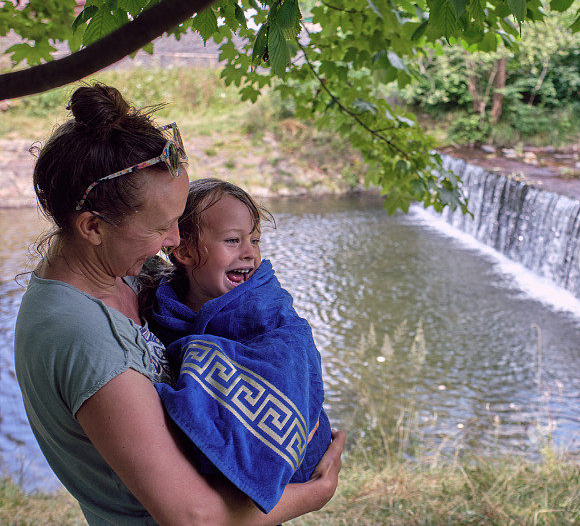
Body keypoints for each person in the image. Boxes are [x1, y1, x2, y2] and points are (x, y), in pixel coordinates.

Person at [14, 83, 345, 525]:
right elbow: (194, 518)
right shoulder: (82, 338)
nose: (173, 243)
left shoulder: (128, 272)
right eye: (159, 228)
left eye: (177, 222)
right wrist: (312, 493)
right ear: (93, 226)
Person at [140, 178, 332, 513]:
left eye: (255, 240)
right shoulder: (162, 309)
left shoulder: (264, 305)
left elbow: (292, 353)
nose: (250, 253)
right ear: (183, 250)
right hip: (205, 494)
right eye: (233, 240)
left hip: (297, 452)